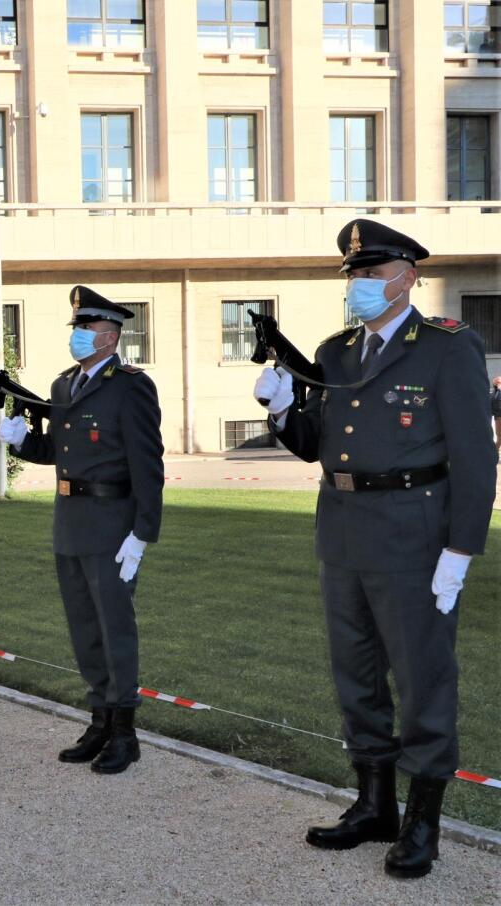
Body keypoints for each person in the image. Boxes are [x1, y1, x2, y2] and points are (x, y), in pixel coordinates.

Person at [254, 219, 497, 879]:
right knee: (356, 675)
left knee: (422, 680)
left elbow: (477, 458)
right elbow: (317, 443)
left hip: (415, 536)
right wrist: (280, 411)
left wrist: (461, 551)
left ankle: (422, 822)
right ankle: (373, 805)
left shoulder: (448, 347)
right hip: (342, 528)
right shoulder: (335, 352)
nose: (361, 285)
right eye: (354, 275)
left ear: (408, 276)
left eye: (373, 273)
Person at [0, 287, 164, 774]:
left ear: (111, 336)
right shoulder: (63, 386)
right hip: (69, 521)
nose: (78, 337)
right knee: (83, 628)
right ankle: (99, 717)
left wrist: (142, 533)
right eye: (76, 329)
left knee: (115, 629)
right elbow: (58, 452)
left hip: (113, 524)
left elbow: (147, 465)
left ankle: (124, 732)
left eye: (86, 329)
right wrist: (23, 442)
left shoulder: (131, 385)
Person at [490, 375, 501, 452]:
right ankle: (494, 454)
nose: (497, 383)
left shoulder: (498, 392)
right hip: (498, 417)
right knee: (499, 437)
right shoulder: (494, 392)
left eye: (499, 382)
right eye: (496, 382)